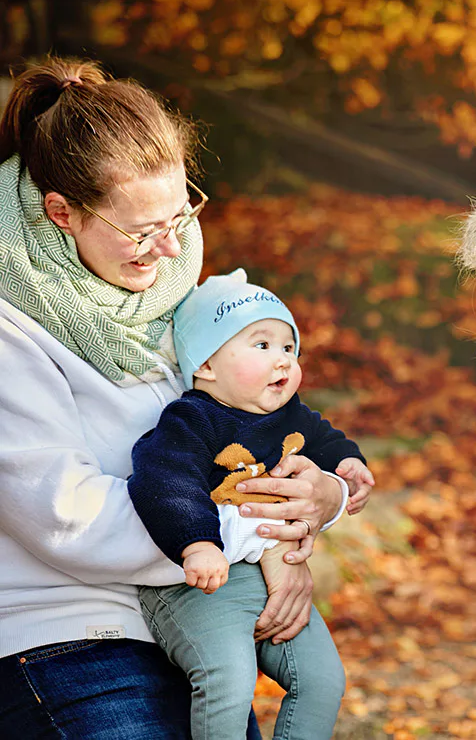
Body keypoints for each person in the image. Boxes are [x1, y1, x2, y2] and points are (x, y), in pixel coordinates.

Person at [0, 58, 350, 739]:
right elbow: (67, 513)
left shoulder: (171, 293)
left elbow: (244, 429)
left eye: (180, 214)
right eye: (140, 231)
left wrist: (316, 503)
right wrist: (256, 538)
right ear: (61, 213)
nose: (167, 248)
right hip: (67, 635)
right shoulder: (13, 325)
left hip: (188, 613)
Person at [129, 271, 375, 739]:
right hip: (201, 585)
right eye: (262, 345)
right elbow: (163, 481)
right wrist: (197, 544)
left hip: (276, 583)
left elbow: (326, 440)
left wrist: (349, 464)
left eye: (289, 348)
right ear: (207, 365)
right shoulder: (190, 419)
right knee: (228, 684)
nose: (283, 359)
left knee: (322, 681)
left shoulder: (291, 415)